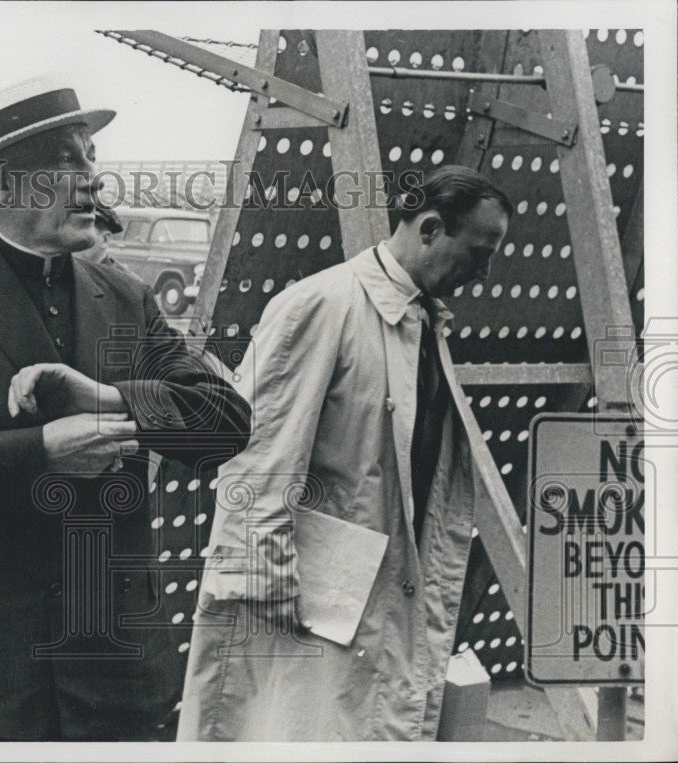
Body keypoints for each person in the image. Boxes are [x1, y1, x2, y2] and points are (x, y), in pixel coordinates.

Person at [0, 78, 251, 742]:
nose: (94, 179)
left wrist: (113, 398)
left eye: (91, 157)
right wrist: (40, 452)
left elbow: (228, 421)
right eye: (69, 160)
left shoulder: (126, 296)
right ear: (0, 184)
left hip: (113, 660)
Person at [177, 165, 512, 741]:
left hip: (364, 606)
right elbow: (258, 460)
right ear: (430, 227)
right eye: (479, 253)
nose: (482, 273)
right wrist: (275, 597)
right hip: (302, 612)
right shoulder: (322, 304)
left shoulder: (422, 321)